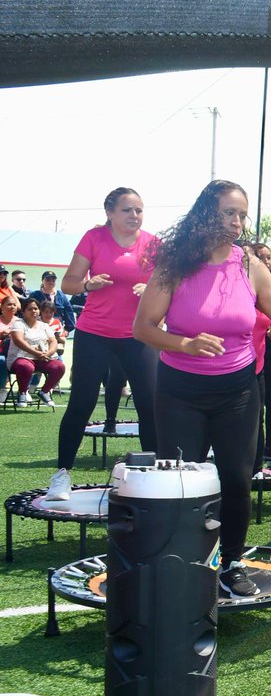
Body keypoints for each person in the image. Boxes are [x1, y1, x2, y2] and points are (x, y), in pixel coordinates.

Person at [133, 180, 271, 597]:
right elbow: (143, 328)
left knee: (237, 477)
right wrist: (185, 343)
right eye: (228, 212)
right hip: (179, 391)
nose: (237, 222)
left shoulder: (249, 266)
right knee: (182, 479)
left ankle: (231, 562)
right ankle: (181, 560)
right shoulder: (175, 264)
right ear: (206, 213)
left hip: (238, 391)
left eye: (241, 215)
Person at [49, 187, 158, 501]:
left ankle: (155, 476)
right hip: (94, 333)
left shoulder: (153, 244)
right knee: (81, 402)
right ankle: (62, 474)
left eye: (139, 210)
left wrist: (150, 286)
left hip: (138, 335)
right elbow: (69, 283)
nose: (134, 216)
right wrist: (88, 284)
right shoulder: (94, 238)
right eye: (127, 210)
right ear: (110, 212)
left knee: (149, 405)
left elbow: (170, 282)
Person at [244, 242, 271, 463]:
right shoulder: (245, 284)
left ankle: (270, 444)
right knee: (256, 405)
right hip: (251, 346)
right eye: (261, 257)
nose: (266, 261)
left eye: (269, 257)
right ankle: (253, 448)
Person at [8, 297, 65, 407]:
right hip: (21, 358)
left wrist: (48, 353)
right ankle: (23, 393)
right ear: (23, 311)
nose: (34, 311)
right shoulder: (18, 324)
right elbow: (18, 341)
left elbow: (53, 341)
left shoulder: (44, 326)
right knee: (25, 366)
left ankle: (44, 392)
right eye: (30, 309)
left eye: (36, 308)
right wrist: (36, 353)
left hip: (42, 358)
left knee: (59, 367)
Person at [0, 295, 18, 404]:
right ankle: (2, 388)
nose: (12, 307)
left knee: (26, 360)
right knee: (1, 360)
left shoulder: (21, 321)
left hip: (17, 352)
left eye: (14, 304)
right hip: (1, 352)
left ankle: (24, 391)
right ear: (2, 307)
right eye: (9, 304)